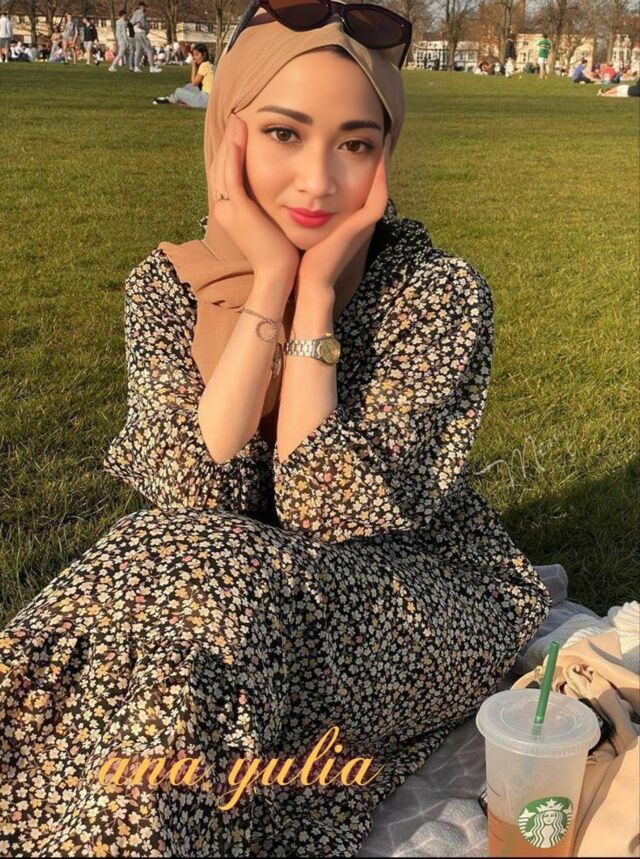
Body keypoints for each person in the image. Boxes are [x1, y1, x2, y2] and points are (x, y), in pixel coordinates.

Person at [0, 2, 552, 854]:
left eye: (356, 144)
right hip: (224, 598)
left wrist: (315, 300)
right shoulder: (168, 288)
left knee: (183, 588)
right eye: (284, 134)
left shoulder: (435, 294)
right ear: (227, 132)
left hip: (419, 597)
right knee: (126, 618)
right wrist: (266, 286)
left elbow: (324, 510)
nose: (318, 183)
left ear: (388, 152)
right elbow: (198, 488)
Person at [153, 41, 213, 107]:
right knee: (189, 86)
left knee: (178, 91)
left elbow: (194, 83)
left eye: (197, 55)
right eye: (194, 55)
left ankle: (170, 100)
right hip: (210, 98)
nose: (194, 58)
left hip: (204, 100)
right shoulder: (210, 65)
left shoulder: (204, 65)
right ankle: (173, 98)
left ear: (204, 54)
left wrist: (193, 67)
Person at [131, 0, 161, 73]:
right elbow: (139, 25)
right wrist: (146, 27)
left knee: (139, 50)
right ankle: (152, 67)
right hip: (141, 33)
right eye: (145, 7)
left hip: (136, 34)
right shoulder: (141, 13)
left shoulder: (135, 13)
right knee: (149, 49)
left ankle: (136, 67)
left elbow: (131, 23)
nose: (145, 8)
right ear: (142, 6)